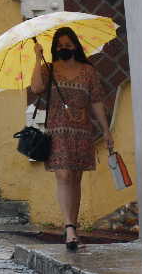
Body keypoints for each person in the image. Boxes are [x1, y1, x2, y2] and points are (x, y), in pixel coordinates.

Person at [30, 27, 113, 251]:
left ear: (75, 45)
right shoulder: (49, 69)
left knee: (75, 179)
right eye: (59, 46)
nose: (63, 48)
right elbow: (36, 88)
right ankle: (68, 229)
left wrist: (106, 131)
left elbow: (96, 102)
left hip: (82, 132)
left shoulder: (89, 72)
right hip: (57, 132)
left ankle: (73, 229)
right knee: (63, 175)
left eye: (67, 44)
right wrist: (38, 58)